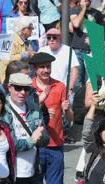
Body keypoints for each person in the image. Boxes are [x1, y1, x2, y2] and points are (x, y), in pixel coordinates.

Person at [30, 52, 73, 184]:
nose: (46, 70)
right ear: (34, 69)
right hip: (35, 146)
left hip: (56, 145)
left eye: (48, 66)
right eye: (42, 67)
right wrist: (43, 109)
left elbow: (70, 118)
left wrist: (67, 109)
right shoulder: (28, 87)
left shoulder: (60, 86)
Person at [3, 73, 50, 183]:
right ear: (9, 87)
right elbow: (9, 144)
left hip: (32, 171)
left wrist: (41, 137)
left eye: (26, 89)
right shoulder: (2, 109)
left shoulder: (34, 108)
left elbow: (46, 140)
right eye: (18, 88)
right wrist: (32, 140)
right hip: (9, 172)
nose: (23, 92)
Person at [0, 17, 36, 81]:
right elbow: (6, 60)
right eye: (30, 28)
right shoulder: (8, 40)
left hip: (21, 79)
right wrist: (25, 55)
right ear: (22, 29)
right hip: (9, 81)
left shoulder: (27, 43)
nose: (32, 30)